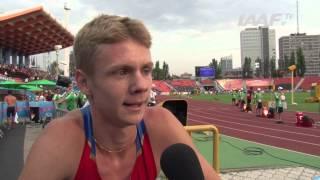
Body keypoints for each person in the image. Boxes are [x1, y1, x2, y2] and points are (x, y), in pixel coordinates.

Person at [19, 15, 220, 180]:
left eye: (146, 70)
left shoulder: (161, 124)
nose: (141, 86)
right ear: (84, 83)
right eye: (122, 72)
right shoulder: (60, 140)